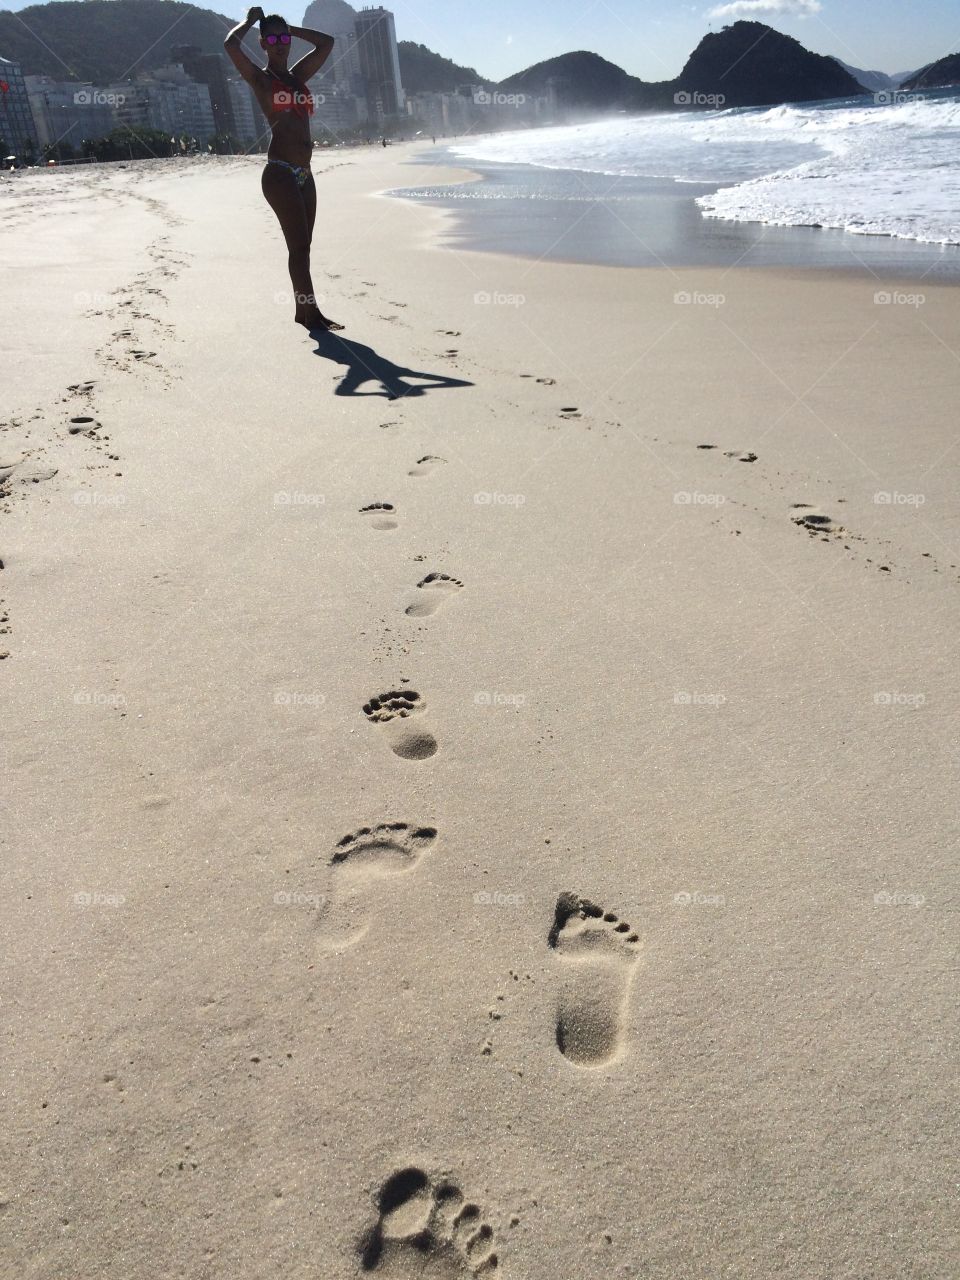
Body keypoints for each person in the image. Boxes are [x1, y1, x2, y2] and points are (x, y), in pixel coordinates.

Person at [224, 7, 343, 331]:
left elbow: (327, 44)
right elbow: (231, 47)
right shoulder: (261, 79)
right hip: (279, 172)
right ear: (263, 44)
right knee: (298, 247)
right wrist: (250, 22)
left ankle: (304, 312)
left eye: (284, 38)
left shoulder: (296, 77)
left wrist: (290, 28)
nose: (280, 43)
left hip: (305, 173)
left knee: (304, 248)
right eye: (273, 39)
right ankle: (311, 312)